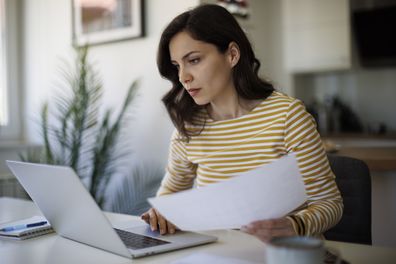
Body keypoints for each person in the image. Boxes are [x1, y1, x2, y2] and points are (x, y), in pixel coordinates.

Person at [141, 4, 343, 243]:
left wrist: (294, 224)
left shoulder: (288, 116)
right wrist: (161, 213)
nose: (184, 77)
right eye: (177, 66)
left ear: (232, 55)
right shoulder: (189, 128)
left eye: (194, 60)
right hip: (218, 255)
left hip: (282, 255)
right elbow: (169, 197)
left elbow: (330, 204)